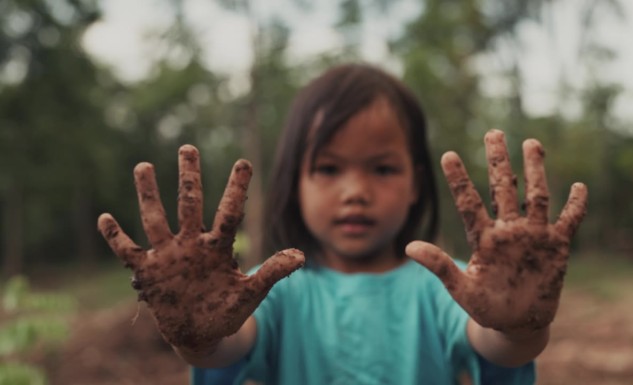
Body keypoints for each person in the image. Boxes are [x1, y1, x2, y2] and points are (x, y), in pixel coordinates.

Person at [97, 63, 588, 385]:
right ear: (296, 182)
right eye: (329, 169)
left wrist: (519, 325)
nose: (355, 191)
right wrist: (197, 334)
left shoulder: (447, 284)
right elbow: (226, 350)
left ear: (416, 183)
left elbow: (499, 346)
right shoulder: (278, 292)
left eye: (382, 168)